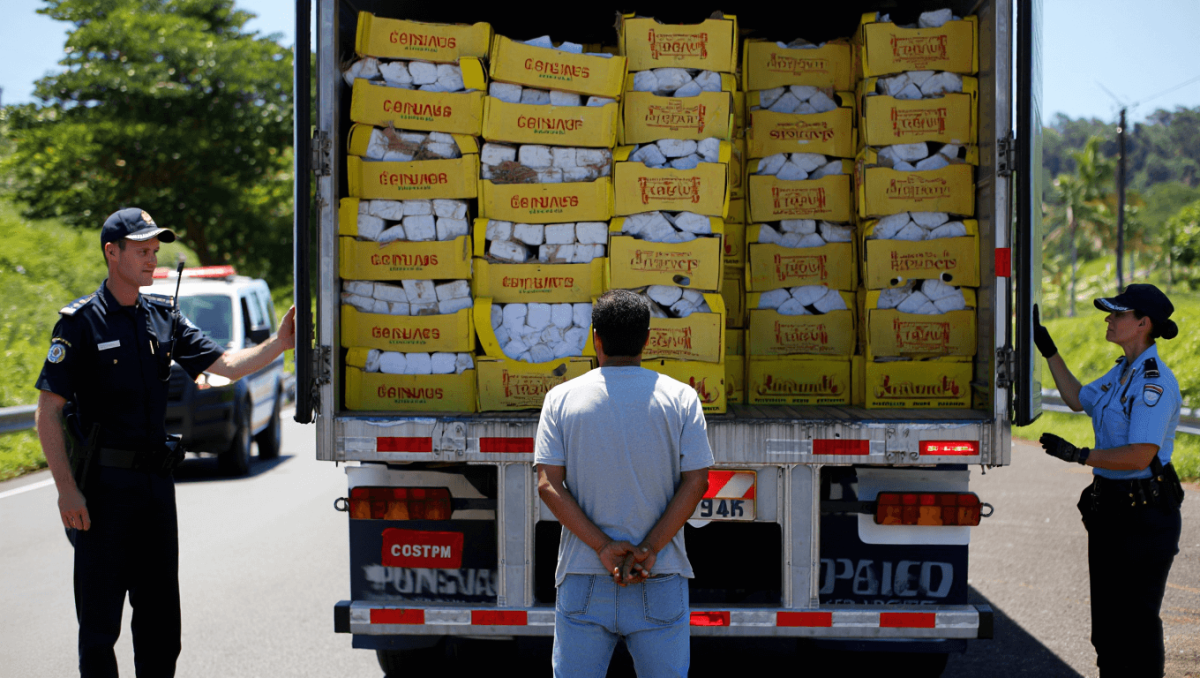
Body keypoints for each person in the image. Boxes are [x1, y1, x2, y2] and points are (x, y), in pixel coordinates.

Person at [34, 207, 297, 678]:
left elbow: (227, 367)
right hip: (102, 490)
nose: (152, 259)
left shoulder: (163, 317)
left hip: (155, 489)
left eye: (155, 251)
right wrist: (66, 489)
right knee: (99, 627)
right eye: (142, 251)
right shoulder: (80, 324)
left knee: (161, 625)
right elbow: (48, 410)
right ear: (112, 253)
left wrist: (279, 344)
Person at [534, 289, 712, 678]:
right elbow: (697, 482)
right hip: (658, 574)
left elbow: (548, 485)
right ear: (648, 340)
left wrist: (602, 546)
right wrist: (649, 548)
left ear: (595, 337)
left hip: (584, 576)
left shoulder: (561, 399)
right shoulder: (681, 398)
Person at [1033, 284, 1184, 678]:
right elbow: (1076, 398)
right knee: (1108, 630)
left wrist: (1080, 455)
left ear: (1142, 324)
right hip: (1112, 512)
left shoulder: (1154, 383)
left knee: (1136, 625)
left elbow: (1139, 455)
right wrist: (1048, 350)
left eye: (1117, 314)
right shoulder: (1122, 372)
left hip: (1145, 517)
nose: (1109, 319)